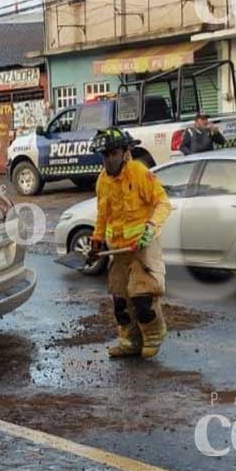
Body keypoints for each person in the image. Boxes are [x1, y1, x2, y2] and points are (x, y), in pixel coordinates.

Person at [88, 128, 172, 359]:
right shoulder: (102, 181)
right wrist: (96, 241)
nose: (108, 159)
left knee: (142, 296)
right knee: (121, 300)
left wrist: (150, 229)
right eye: (104, 155)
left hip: (142, 247)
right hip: (119, 249)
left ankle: (154, 335)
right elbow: (102, 216)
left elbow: (163, 203)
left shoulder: (138, 173)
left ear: (126, 152)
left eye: (112, 153)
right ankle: (129, 341)